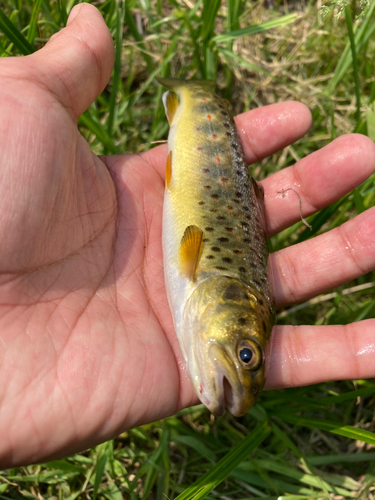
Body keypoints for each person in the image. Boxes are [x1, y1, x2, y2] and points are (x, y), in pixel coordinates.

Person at [0, 3, 374, 469]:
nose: (240, 367)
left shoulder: (205, 288)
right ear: (235, 300)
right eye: (246, 352)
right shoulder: (197, 270)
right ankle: (189, 86)